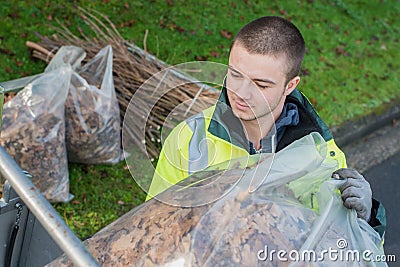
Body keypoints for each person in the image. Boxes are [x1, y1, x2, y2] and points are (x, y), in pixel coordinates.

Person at [146, 16, 385, 238]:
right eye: (235, 75)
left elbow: (345, 249)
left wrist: (366, 219)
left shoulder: (320, 157)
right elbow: (149, 227)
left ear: (290, 85)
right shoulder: (189, 139)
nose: (241, 93)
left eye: (261, 85)